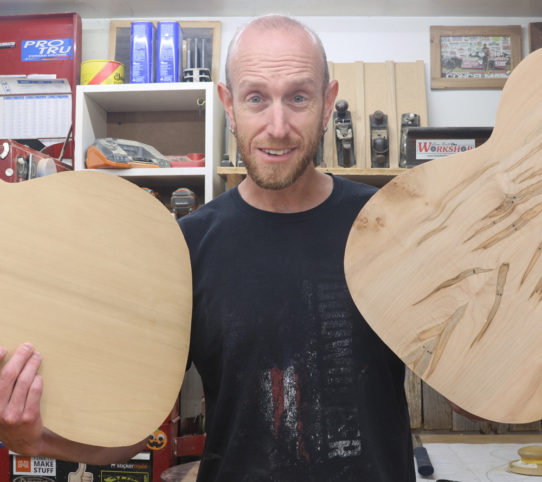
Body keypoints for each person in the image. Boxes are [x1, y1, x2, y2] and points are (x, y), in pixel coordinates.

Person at [0, 15, 414, 481]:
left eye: (298, 97)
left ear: (328, 101)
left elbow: (469, 384)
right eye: (256, 98)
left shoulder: (388, 226)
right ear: (228, 104)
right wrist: (33, 439)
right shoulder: (185, 249)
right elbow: (137, 433)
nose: (277, 126)